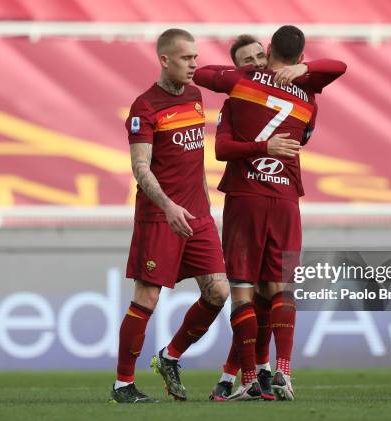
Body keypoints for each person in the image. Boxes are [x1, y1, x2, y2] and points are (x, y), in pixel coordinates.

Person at [194, 26, 346, 401]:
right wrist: (303, 71)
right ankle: (279, 372)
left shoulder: (240, 82)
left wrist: (242, 75)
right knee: (280, 290)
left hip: (247, 196)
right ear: (299, 56)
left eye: (259, 56)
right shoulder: (310, 95)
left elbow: (200, 74)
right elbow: (338, 67)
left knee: (245, 291)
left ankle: (246, 376)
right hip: (286, 197)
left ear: (268, 50)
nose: (255, 62)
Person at [111, 28, 229, 404]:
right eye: (186, 58)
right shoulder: (145, 107)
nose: (194, 64)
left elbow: (194, 161)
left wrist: (202, 203)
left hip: (197, 215)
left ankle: (170, 356)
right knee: (146, 298)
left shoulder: (196, 96)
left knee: (219, 290)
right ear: (165, 60)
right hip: (160, 216)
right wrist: (168, 206)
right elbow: (140, 168)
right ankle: (123, 385)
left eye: (195, 57)